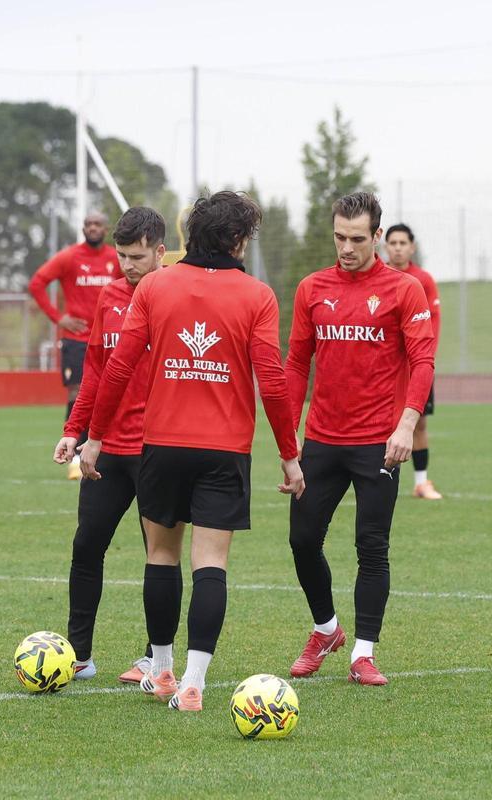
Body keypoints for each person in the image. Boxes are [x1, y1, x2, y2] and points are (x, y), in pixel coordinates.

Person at [80, 192, 304, 712]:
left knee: (161, 555)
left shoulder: (155, 285)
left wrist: (94, 436)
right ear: (236, 239)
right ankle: (193, 683)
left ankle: (160, 671)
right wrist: (290, 455)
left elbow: (118, 367)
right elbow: (272, 381)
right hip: (224, 451)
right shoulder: (258, 296)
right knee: (212, 564)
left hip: (160, 444)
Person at [284, 192, 435, 687]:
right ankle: (326, 629)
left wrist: (407, 424)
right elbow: (296, 364)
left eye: (356, 239)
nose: (346, 248)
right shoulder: (311, 288)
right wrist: (289, 441)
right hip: (322, 440)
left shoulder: (403, 290)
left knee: (371, 547)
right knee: (303, 540)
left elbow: (422, 362)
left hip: (379, 443)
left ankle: (363, 654)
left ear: (376, 237)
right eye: (339, 238)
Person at [53, 206, 166, 685]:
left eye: (137, 256)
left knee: (159, 555)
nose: (128, 265)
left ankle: (154, 658)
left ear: (161, 252)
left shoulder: (175, 297)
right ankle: (79, 654)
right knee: (86, 546)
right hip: (107, 449)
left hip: (160, 448)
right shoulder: (110, 298)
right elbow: (96, 371)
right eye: (122, 256)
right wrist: (73, 430)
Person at [29, 212, 119, 479]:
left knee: (110, 391)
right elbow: (37, 284)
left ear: (106, 228)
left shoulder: (116, 258)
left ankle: (103, 448)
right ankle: (75, 454)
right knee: (78, 393)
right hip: (78, 339)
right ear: (83, 228)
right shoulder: (69, 257)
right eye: (89, 224)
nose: (93, 228)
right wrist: (59, 318)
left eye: (98, 224)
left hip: (110, 339)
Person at [384, 223, 442, 500]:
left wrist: (424, 360)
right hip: (384, 369)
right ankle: (374, 477)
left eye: (402, 243)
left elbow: (432, 323)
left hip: (415, 367)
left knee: (418, 424)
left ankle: (421, 482)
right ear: (385, 246)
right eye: (392, 243)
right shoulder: (377, 278)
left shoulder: (423, 280)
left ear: (412, 247)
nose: (397, 248)